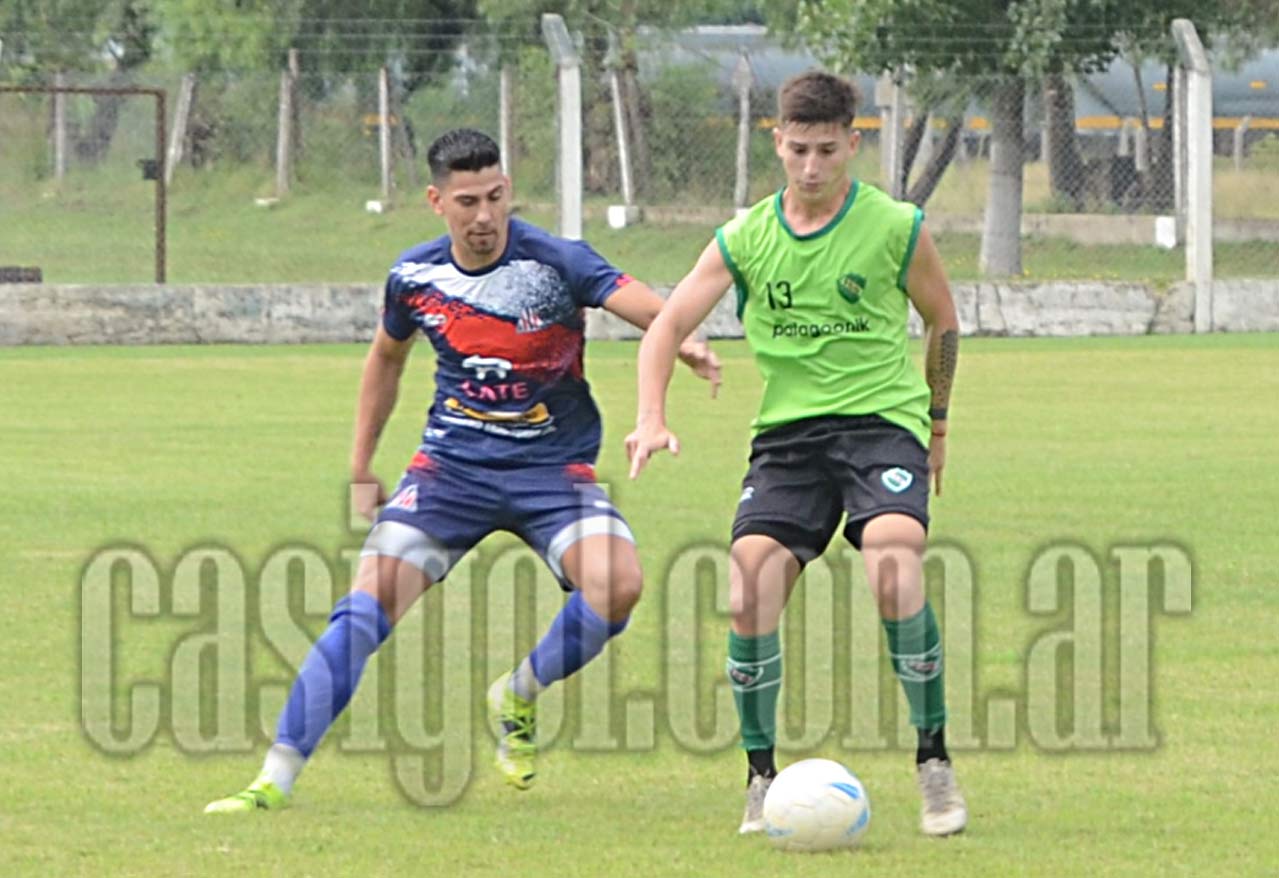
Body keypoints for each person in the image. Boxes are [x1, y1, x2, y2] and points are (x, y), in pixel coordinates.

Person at [205, 128, 720, 813]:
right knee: (362, 608)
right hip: (449, 473)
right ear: (436, 201)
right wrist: (361, 463)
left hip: (551, 473)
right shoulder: (414, 277)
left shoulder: (557, 262)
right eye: (468, 201)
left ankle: (519, 693)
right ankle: (273, 778)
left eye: (496, 197)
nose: (485, 215)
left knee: (618, 585)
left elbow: (646, 307)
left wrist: (684, 339)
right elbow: (386, 358)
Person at [625, 71, 967, 838]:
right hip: (788, 439)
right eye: (798, 150)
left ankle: (933, 760)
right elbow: (666, 324)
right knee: (749, 582)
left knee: (893, 560)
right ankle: (759, 778)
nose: (811, 167)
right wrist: (650, 416)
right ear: (776, 142)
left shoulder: (895, 226)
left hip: (880, 424)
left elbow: (942, 320)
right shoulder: (745, 237)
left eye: (827, 151)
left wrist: (937, 425)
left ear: (852, 142)